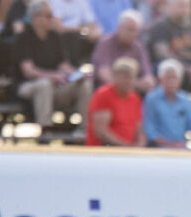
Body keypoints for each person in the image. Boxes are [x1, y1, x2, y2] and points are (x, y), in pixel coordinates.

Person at [13, 0, 92, 129]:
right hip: (27, 87)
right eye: (48, 16)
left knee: (84, 85)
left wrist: (77, 74)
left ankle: (86, 130)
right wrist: (52, 76)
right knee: (44, 84)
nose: (53, 19)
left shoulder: (55, 37)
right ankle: (45, 130)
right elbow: (29, 71)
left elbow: (63, 64)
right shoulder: (23, 38)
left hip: (55, 87)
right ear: (36, 18)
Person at [142, 57, 191, 148]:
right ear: (160, 79)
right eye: (168, 77)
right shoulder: (152, 99)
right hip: (158, 150)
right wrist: (170, 144)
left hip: (181, 149)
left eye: (174, 78)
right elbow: (150, 130)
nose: (171, 81)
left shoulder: (185, 99)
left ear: (180, 80)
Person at [85, 55, 144, 146]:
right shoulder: (103, 95)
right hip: (105, 151)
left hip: (129, 152)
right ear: (115, 77)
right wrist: (126, 147)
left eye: (132, 77)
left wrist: (139, 146)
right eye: (125, 77)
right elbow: (101, 132)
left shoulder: (135, 98)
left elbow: (139, 130)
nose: (129, 81)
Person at [91, 9, 155, 92]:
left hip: (132, 93)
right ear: (119, 28)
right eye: (128, 29)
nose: (131, 33)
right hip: (107, 92)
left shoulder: (138, 47)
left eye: (134, 31)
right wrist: (135, 84)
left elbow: (148, 78)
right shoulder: (105, 43)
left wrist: (144, 82)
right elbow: (105, 75)